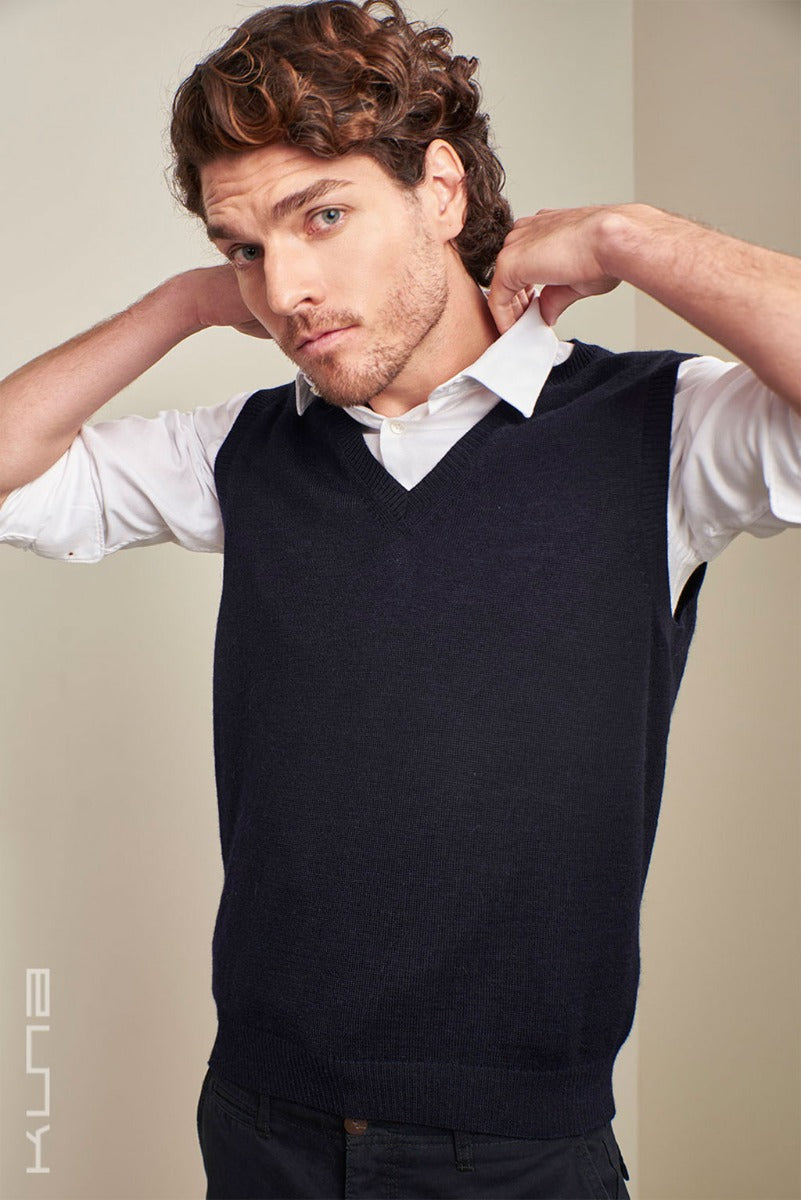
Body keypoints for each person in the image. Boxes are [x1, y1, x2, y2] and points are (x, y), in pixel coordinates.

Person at [1, 1, 799, 1196]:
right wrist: (187, 302)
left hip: (521, 1150)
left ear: (441, 192)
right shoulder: (246, 451)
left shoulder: (660, 429)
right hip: (263, 1121)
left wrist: (632, 237)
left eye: (321, 215)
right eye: (245, 248)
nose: (287, 289)